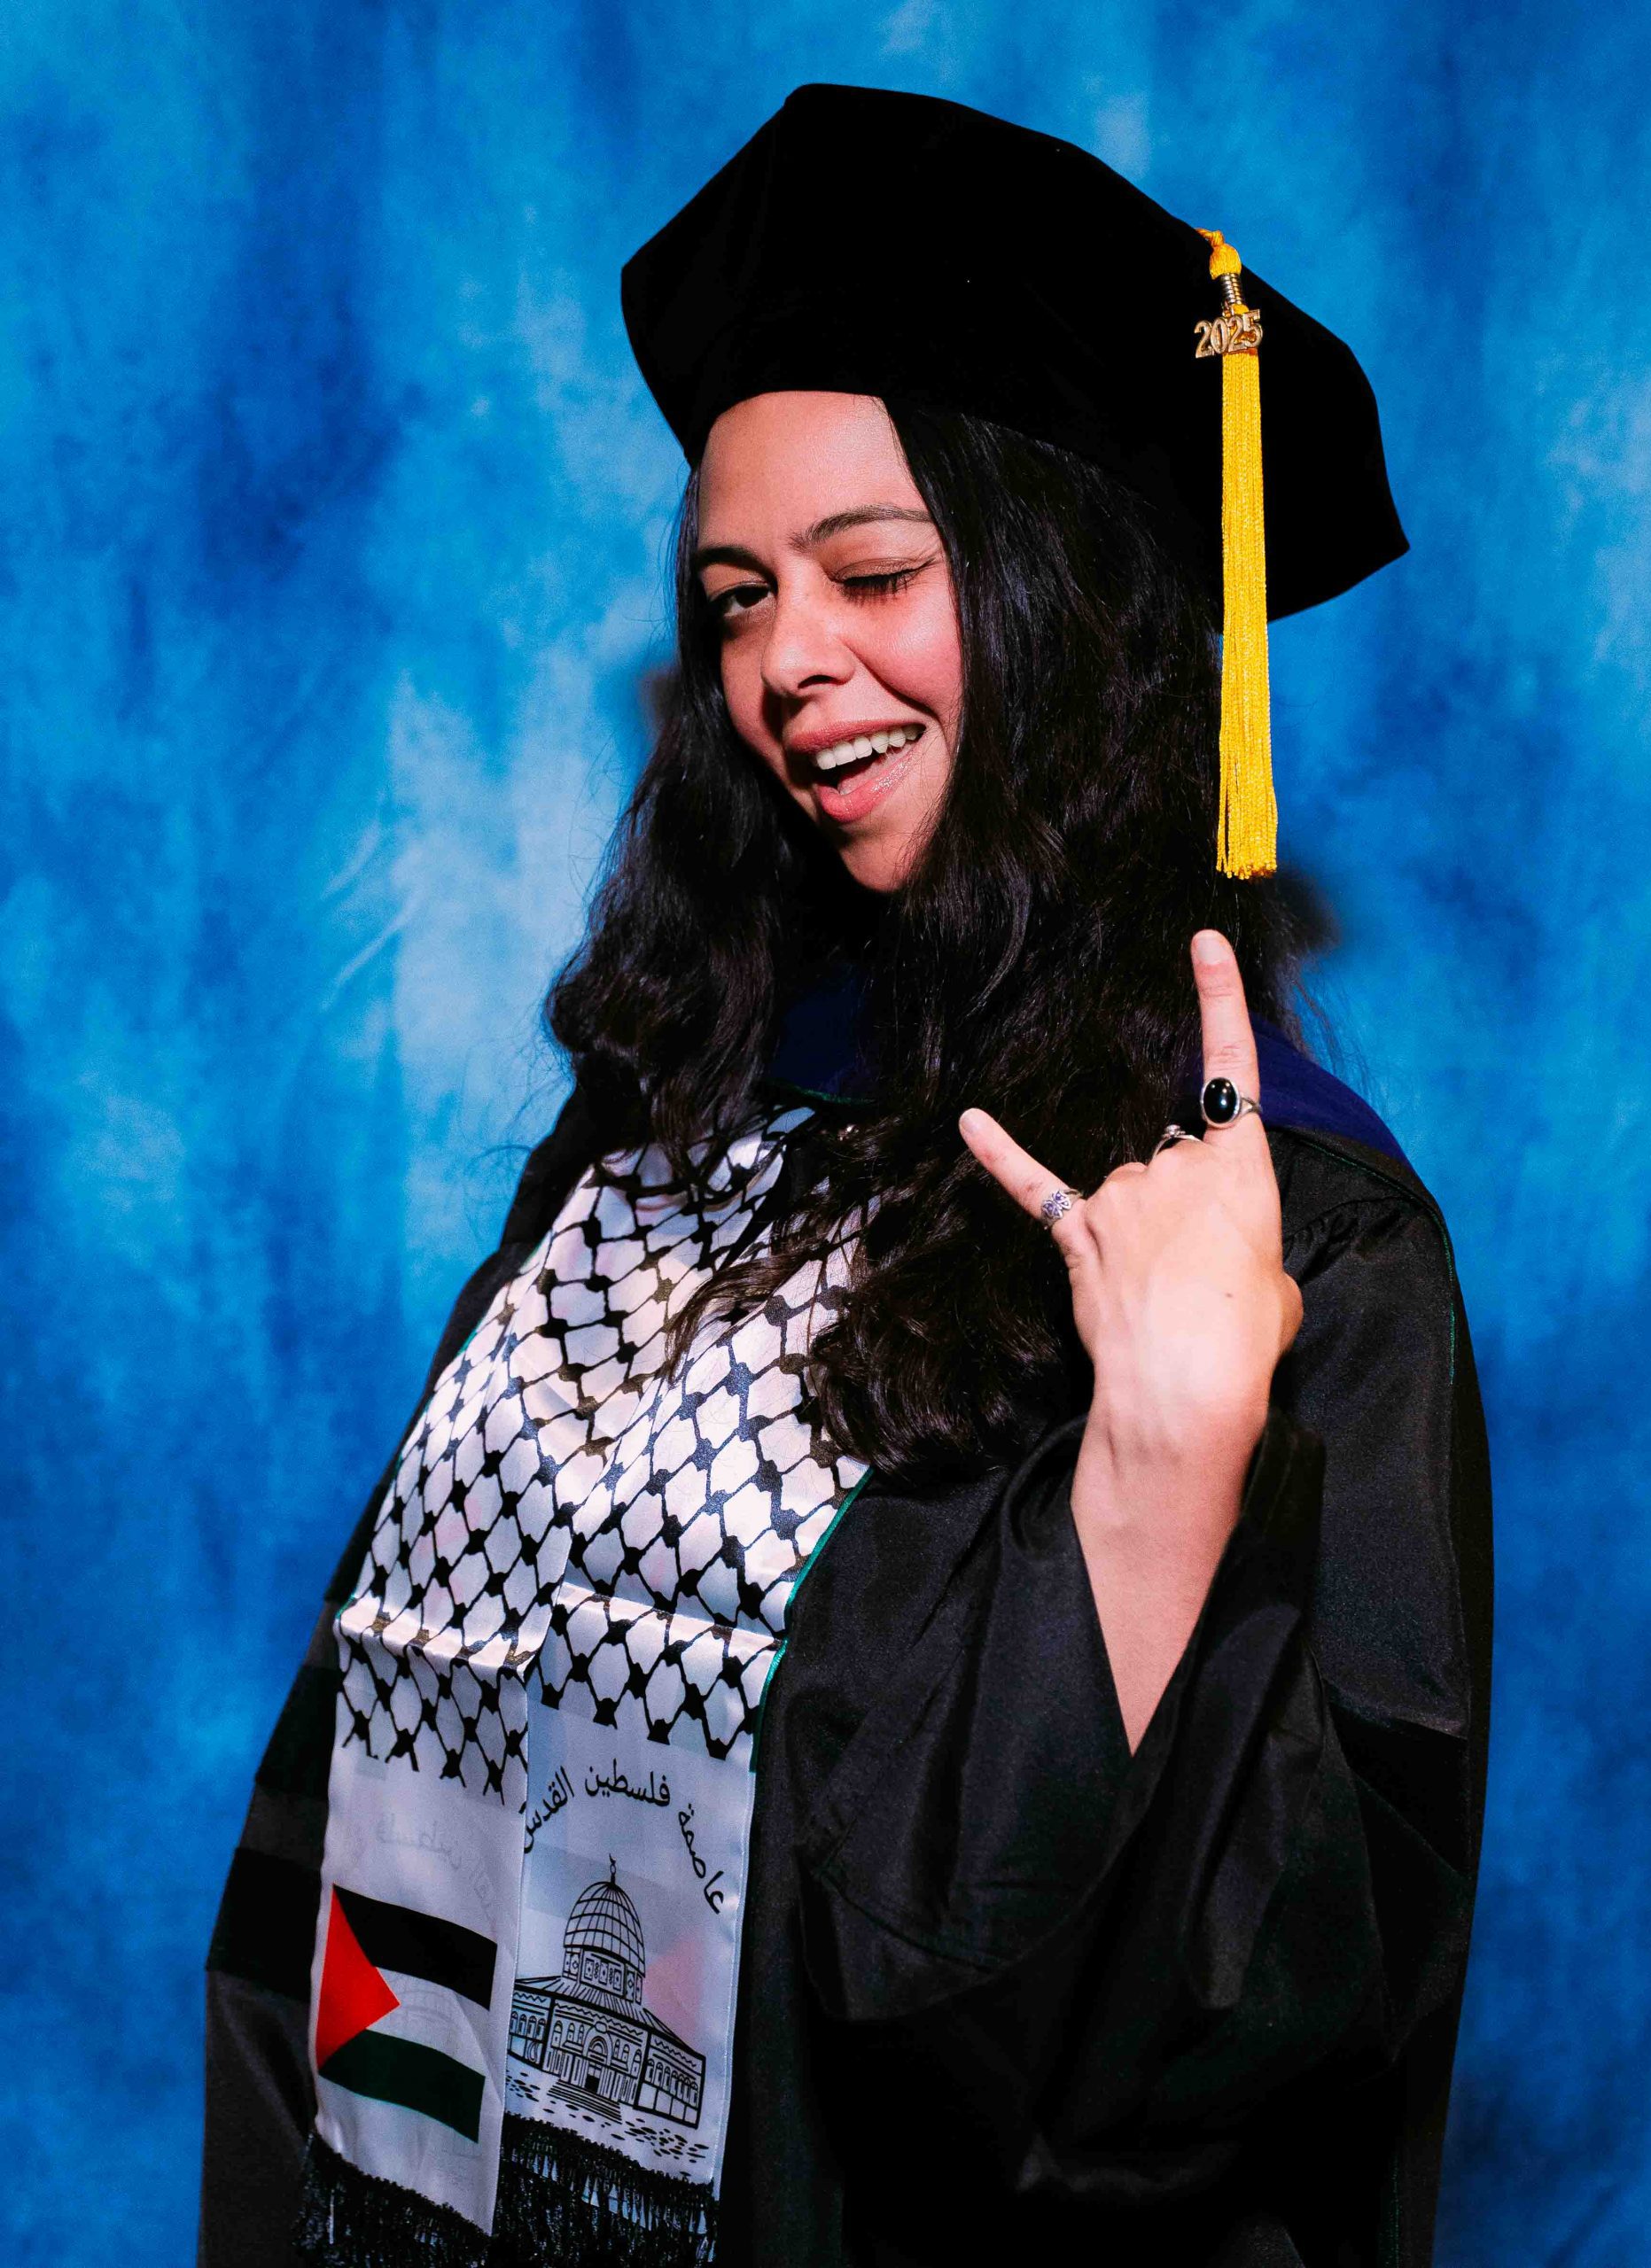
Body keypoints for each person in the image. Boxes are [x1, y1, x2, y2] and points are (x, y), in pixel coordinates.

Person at [201, 83, 1491, 2268]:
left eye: (873, 571)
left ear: (1062, 597)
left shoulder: (1301, 1249)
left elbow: (1227, 2068)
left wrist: (1159, 1471)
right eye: (735, 594)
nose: (788, 660)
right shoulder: (654, 1161)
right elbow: (344, 1822)